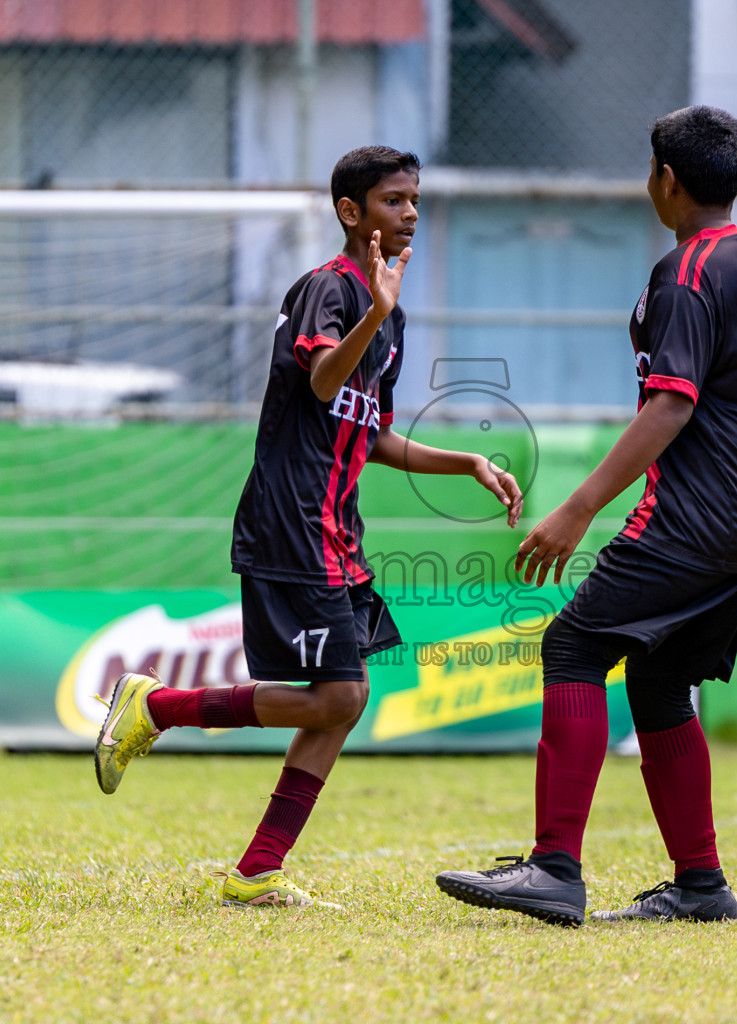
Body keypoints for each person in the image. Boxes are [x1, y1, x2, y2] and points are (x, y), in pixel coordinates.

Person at [92, 145, 523, 908]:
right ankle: (156, 708)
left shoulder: (388, 315)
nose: (411, 212)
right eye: (394, 200)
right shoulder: (330, 290)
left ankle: (256, 870)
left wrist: (467, 463)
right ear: (352, 212)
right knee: (338, 698)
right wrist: (378, 313)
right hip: (292, 524)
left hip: (336, 530)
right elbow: (325, 379)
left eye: (415, 198)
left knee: (343, 701)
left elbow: (370, 434)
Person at [435, 106, 737, 926]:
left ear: (666, 180)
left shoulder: (689, 272)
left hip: (704, 514)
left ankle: (553, 868)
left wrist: (574, 510)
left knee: (573, 643)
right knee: (659, 675)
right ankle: (701, 886)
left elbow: (671, 406)